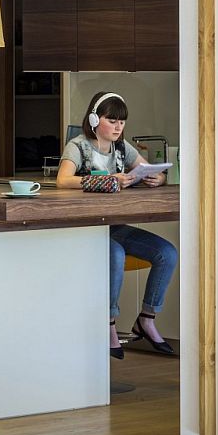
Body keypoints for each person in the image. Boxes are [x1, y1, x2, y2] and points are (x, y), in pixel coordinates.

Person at [57, 92, 178, 359]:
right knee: (115, 254)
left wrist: (157, 178)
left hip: (115, 225)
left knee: (167, 253)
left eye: (121, 122)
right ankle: (109, 322)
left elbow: (151, 169)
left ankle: (146, 319)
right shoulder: (77, 146)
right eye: (111, 121)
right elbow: (63, 180)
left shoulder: (122, 147)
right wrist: (107, 180)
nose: (118, 127)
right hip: (85, 228)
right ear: (93, 119)